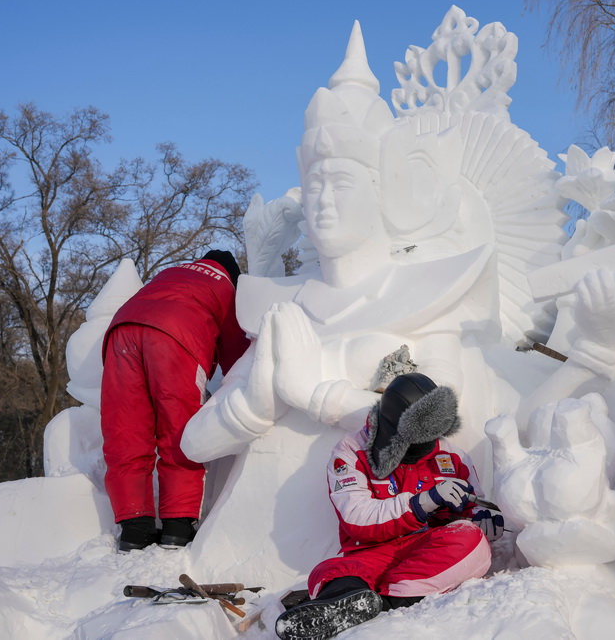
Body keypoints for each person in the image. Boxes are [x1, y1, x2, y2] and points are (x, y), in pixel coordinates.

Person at [274, 373, 503, 640]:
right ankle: (342, 601)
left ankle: (377, 604)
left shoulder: (451, 456)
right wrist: (422, 502)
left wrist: (484, 517)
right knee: (331, 571)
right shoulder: (351, 453)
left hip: (427, 547)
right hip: (372, 551)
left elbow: (473, 503)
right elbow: (357, 519)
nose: (430, 444)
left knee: (471, 541)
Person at [100, 250, 249, 552]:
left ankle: (135, 528)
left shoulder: (173, 273)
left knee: (126, 429)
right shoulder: (228, 287)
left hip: (122, 331)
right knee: (179, 430)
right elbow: (238, 360)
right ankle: (177, 526)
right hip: (175, 336)